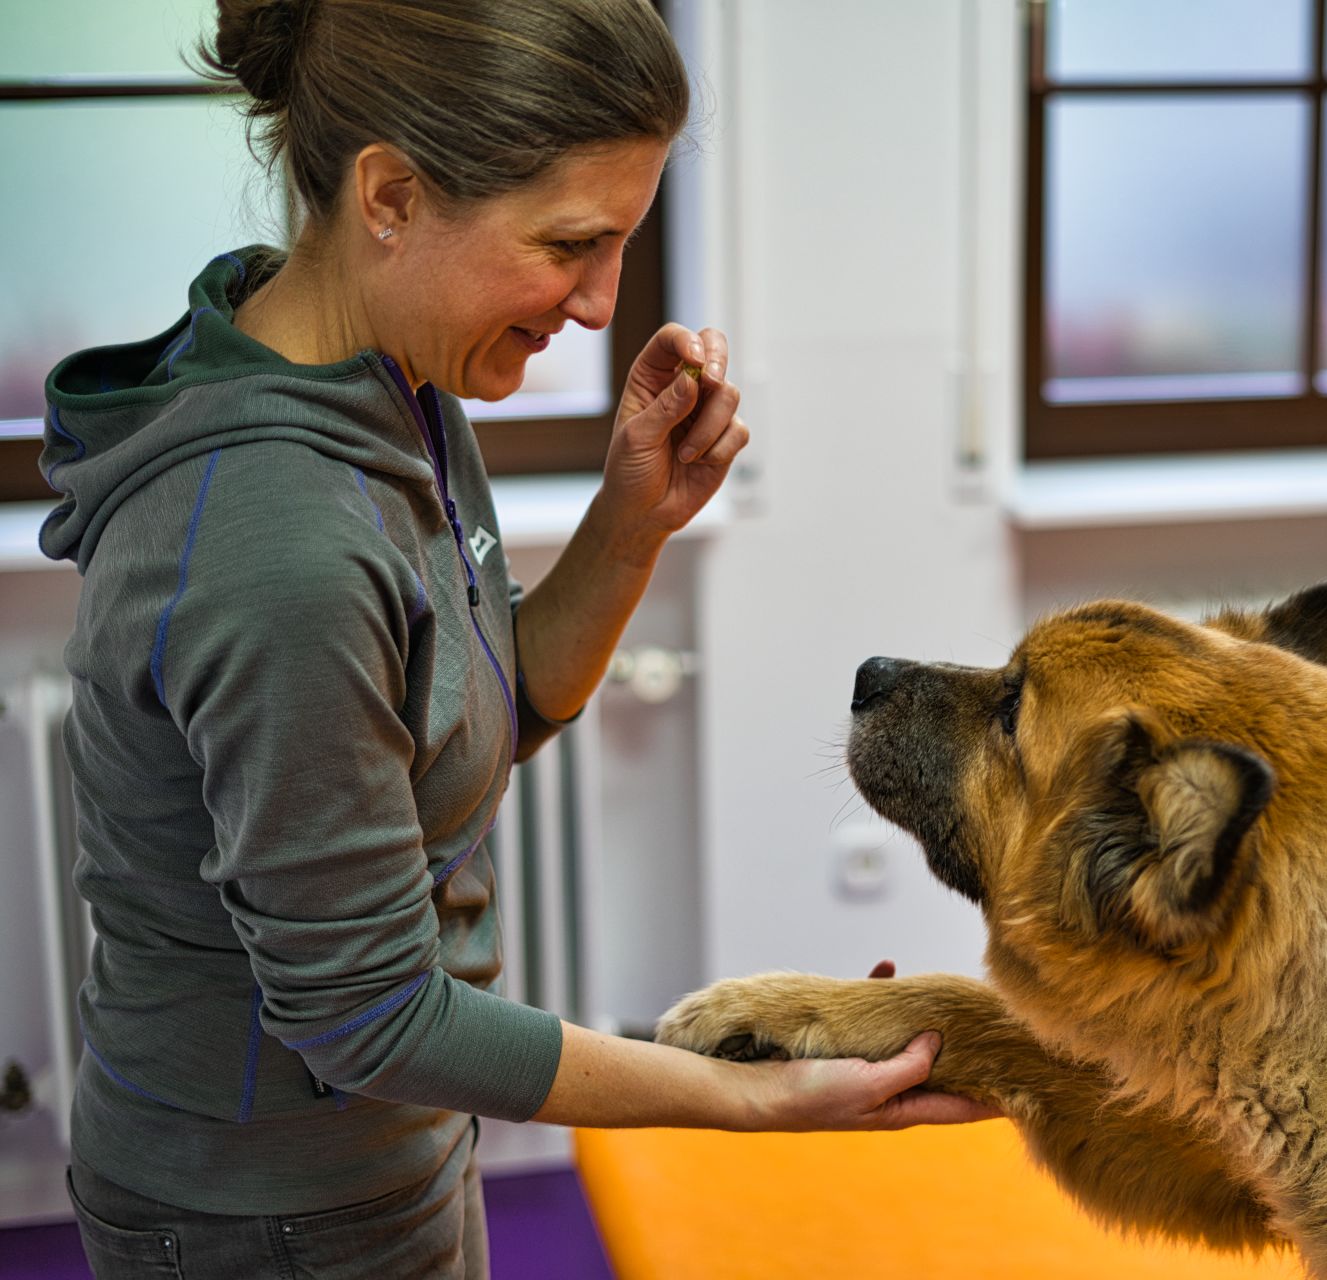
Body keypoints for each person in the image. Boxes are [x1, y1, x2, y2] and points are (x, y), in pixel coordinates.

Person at [38, 1, 992, 1275]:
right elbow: (371, 1015)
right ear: (392, 196)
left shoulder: (393, 379)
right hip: (266, 1208)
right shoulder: (280, 545)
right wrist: (748, 1093)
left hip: (386, 1151)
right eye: (570, 244)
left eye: (621, 247)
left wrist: (633, 520)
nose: (599, 305)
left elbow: (488, 709)